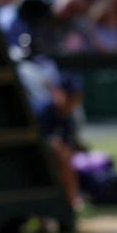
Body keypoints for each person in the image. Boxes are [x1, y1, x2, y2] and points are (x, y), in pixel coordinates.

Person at [33, 74, 84, 212]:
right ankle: (71, 200)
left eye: (76, 98)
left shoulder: (68, 118)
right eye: (70, 97)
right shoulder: (42, 111)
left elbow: (69, 145)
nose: (73, 102)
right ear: (58, 93)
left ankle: (72, 199)